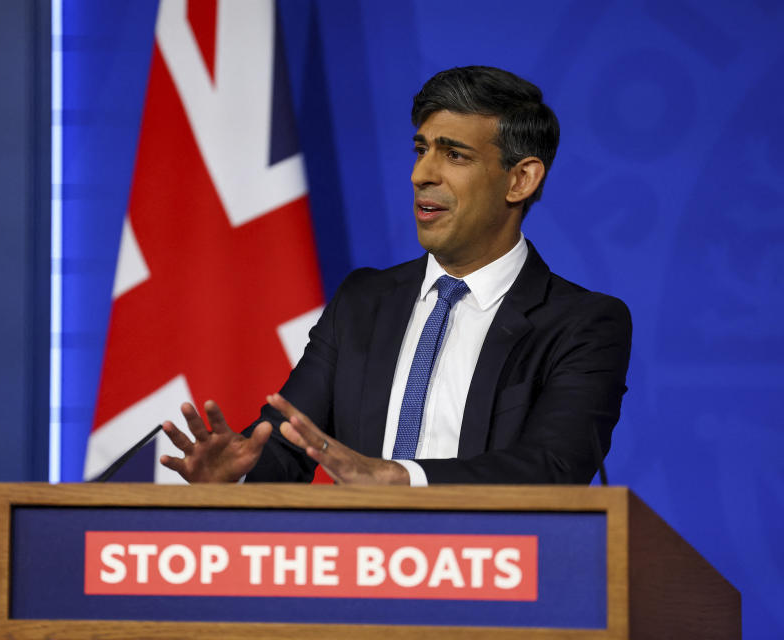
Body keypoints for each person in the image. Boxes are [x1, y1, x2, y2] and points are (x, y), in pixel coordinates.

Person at [159, 66, 631, 486]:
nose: (421, 174)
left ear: (520, 180)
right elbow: (286, 446)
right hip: (359, 571)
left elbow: (552, 468)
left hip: (496, 573)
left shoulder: (582, 323)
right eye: (421, 149)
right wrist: (234, 476)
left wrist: (398, 477)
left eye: (455, 155)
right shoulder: (364, 301)